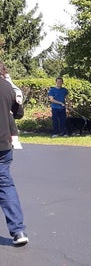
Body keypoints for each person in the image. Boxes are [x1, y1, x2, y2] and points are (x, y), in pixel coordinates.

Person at [0, 61, 28, 245]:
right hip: (3, 144)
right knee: (5, 185)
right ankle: (18, 231)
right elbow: (19, 113)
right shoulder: (8, 87)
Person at [0, 64, 23, 149]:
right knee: (9, 115)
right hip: (4, 143)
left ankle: (15, 138)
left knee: (9, 115)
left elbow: (17, 90)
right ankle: (15, 138)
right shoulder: (6, 84)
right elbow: (19, 113)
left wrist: (18, 97)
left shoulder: (7, 82)